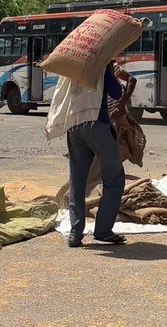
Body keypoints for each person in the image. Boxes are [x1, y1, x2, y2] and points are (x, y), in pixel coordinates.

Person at [46, 59, 136, 248]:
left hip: (74, 127)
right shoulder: (101, 66)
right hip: (96, 124)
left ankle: (75, 234)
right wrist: (109, 70)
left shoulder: (72, 67)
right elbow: (116, 92)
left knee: (77, 182)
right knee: (114, 179)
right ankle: (103, 231)